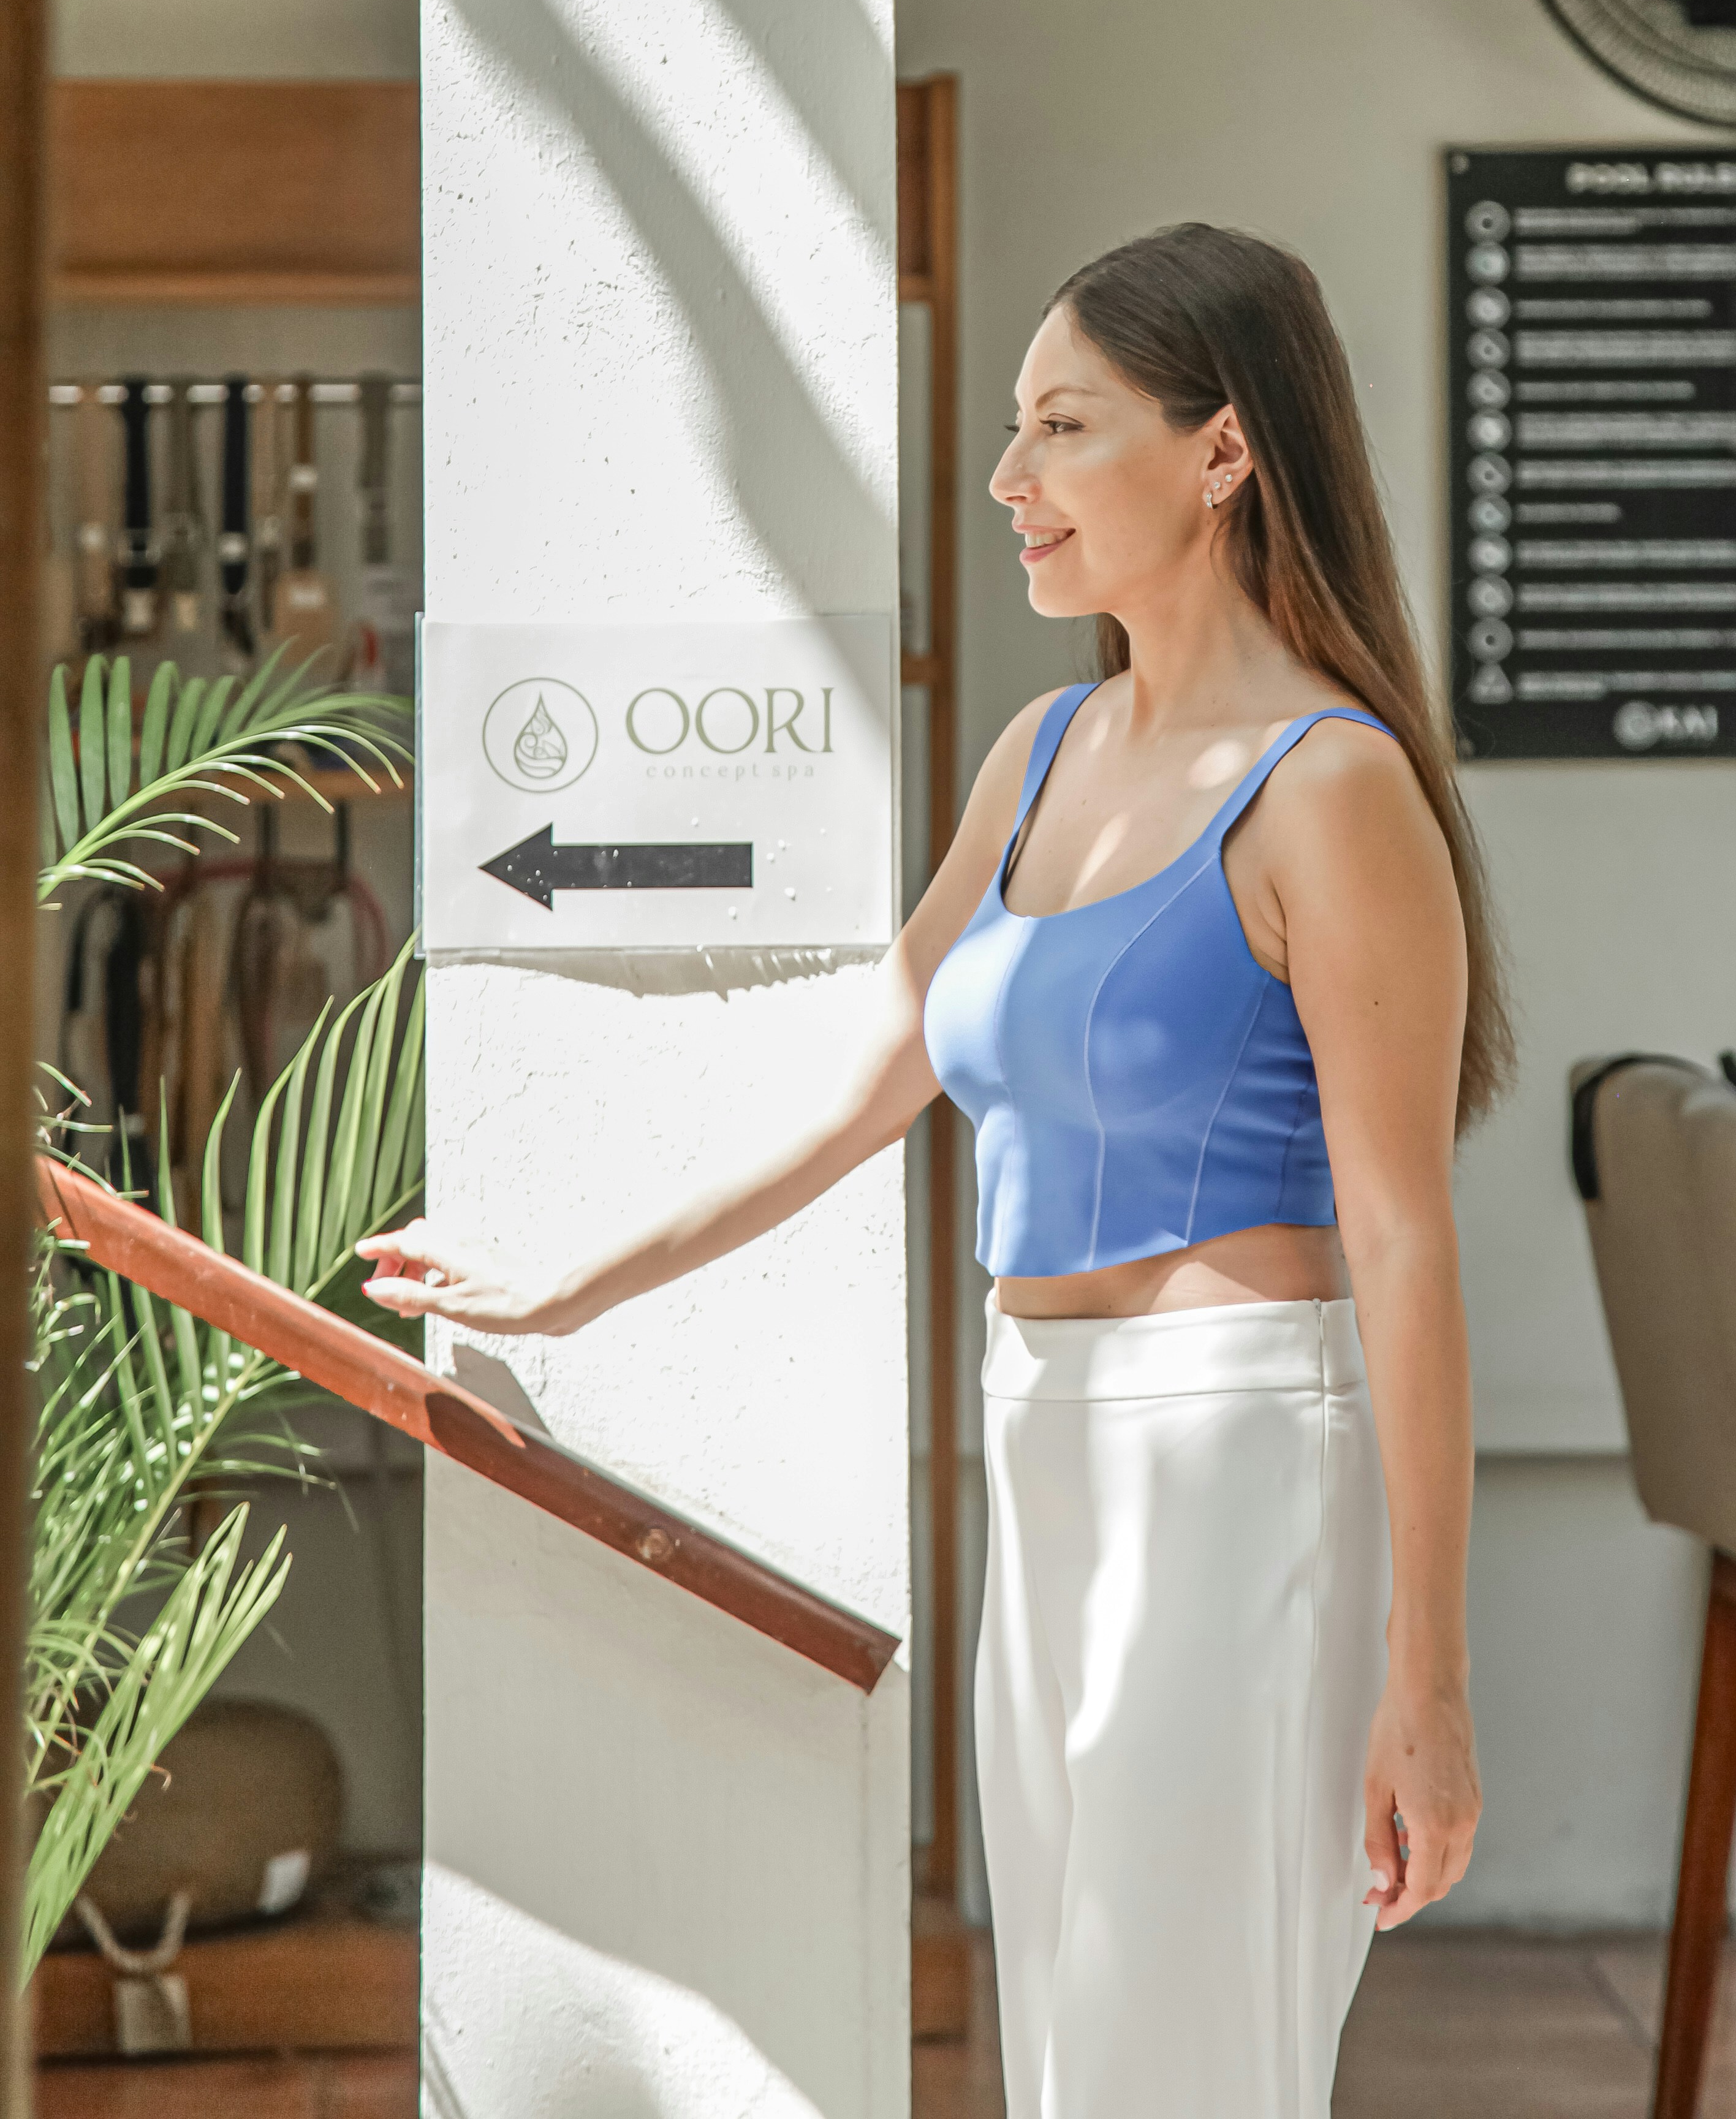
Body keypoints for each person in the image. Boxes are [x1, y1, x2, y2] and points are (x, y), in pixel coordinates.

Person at [362, 221, 1513, 2119]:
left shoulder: (1332, 786)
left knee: (1183, 2063)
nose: (1011, 483)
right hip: (1041, 1441)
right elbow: (865, 1076)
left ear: (1223, 453)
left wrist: (1434, 1681)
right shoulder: (1045, 748)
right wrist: (572, 1275)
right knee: (1062, 2052)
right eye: (1014, 431)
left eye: (1064, 428)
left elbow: (1405, 1246)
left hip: (1241, 1465)